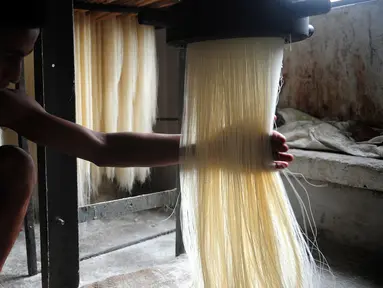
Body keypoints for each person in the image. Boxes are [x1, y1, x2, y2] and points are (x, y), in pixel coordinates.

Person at [0, 27, 293, 271]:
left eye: (21, 57)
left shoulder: (9, 104)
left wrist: (217, 148)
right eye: (7, 55)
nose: (15, 73)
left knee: (16, 165)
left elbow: (103, 148)